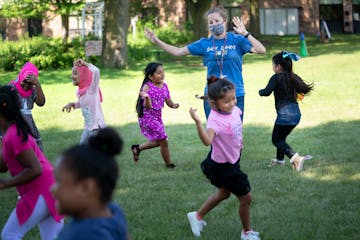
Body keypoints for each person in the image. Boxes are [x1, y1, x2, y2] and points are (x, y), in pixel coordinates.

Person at [145, 5, 266, 119]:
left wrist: (245, 33)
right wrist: (157, 41)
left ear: (224, 21)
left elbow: (261, 50)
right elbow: (178, 52)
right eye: (211, 23)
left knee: (234, 134)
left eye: (217, 21)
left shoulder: (237, 40)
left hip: (235, 94)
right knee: (214, 135)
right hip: (212, 96)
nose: (214, 24)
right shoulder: (204, 44)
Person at [188, 77, 260, 240]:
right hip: (223, 167)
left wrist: (239, 143)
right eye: (227, 101)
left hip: (232, 159)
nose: (232, 103)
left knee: (224, 193)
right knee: (246, 197)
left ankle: (197, 216)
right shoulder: (214, 120)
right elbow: (207, 141)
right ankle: (247, 232)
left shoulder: (234, 110)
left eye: (233, 98)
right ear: (214, 103)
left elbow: (235, 127)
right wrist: (198, 122)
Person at [0, 85, 63, 240]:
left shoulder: (13, 135)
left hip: (40, 191)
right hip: (52, 188)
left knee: (9, 235)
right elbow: (2, 166)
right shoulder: (12, 132)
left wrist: (6, 183)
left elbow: (35, 169)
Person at [51, 127, 130, 240]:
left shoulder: (89, 234)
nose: (52, 189)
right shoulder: (112, 210)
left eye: (58, 182)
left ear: (86, 187)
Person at [259, 51, 314, 171]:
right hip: (296, 116)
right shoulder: (293, 77)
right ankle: (280, 160)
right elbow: (304, 89)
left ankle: (296, 158)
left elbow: (266, 92)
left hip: (284, 116)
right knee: (281, 138)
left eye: (273, 65)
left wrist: (260, 91)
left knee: (276, 140)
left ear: (278, 66)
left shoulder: (276, 77)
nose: (273, 67)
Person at [131, 62, 179, 168]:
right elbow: (147, 107)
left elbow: (168, 101)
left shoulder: (165, 86)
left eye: (163, 72)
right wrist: (147, 98)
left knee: (160, 141)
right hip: (147, 117)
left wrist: (174, 105)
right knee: (163, 140)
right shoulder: (147, 87)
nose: (162, 75)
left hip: (157, 117)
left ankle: (138, 148)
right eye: (159, 73)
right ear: (150, 76)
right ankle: (169, 164)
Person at [62, 59, 105, 144]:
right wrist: (72, 104)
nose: (72, 76)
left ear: (83, 75)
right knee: (82, 146)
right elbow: (82, 104)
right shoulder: (81, 92)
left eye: (75, 73)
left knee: (93, 151)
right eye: (72, 74)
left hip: (96, 127)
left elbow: (96, 71)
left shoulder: (92, 89)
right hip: (88, 127)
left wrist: (85, 63)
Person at [9, 61, 46, 150]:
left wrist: (37, 84)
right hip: (14, 123)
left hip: (28, 124)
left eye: (30, 83)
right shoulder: (11, 88)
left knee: (30, 148)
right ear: (21, 77)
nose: (26, 85)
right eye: (24, 82)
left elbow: (41, 103)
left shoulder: (33, 91)